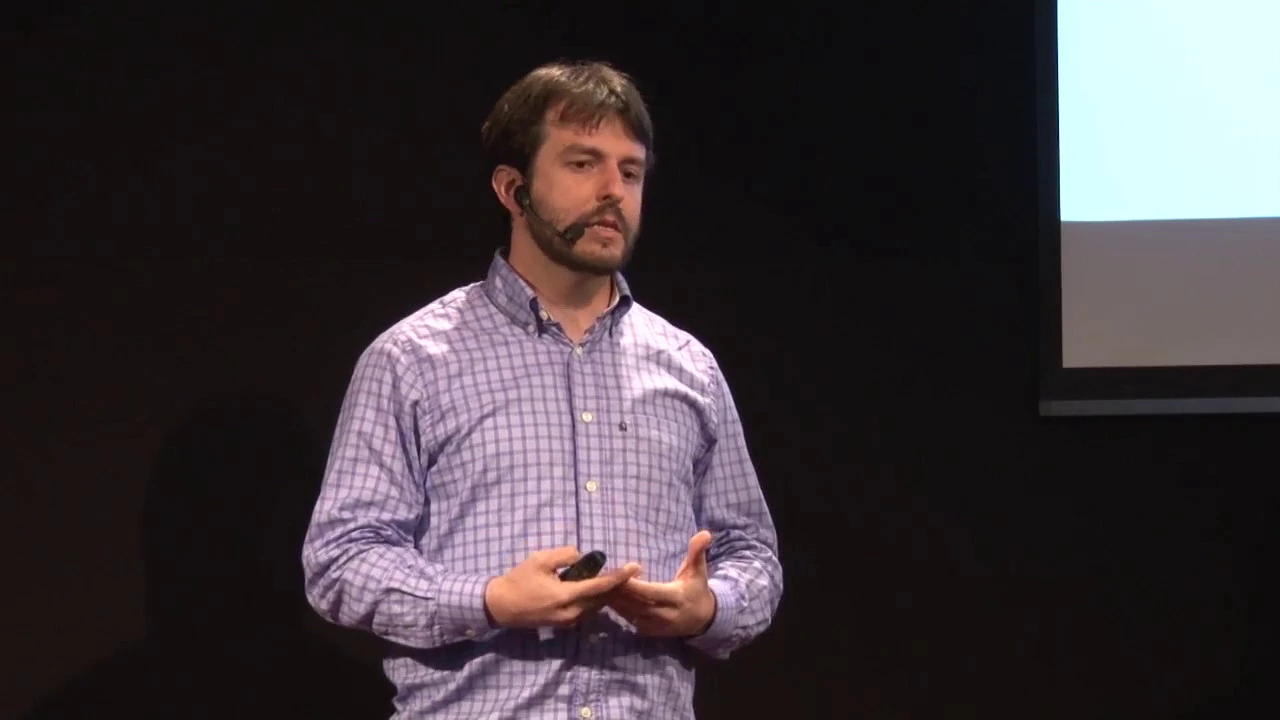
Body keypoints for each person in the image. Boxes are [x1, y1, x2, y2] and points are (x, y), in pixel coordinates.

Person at [301, 59, 783, 719]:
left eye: (631, 172)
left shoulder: (689, 368)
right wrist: (489, 601)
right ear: (513, 188)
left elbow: (752, 555)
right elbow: (341, 560)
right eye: (583, 163)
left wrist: (709, 608)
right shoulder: (412, 360)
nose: (613, 190)